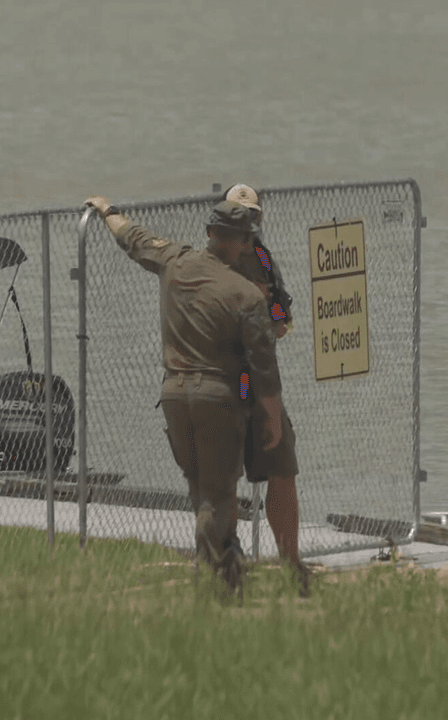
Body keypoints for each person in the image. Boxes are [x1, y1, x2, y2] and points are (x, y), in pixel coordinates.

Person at [84, 195, 285, 596]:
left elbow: (134, 238)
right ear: (245, 243)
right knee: (219, 492)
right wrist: (273, 418)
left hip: (175, 396)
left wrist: (107, 211)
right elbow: (264, 368)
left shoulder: (175, 260)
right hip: (218, 397)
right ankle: (216, 580)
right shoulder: (247, 295)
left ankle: (218, 571)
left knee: (200, 488)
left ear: (210, 234)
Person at [222, 183, 309, 595]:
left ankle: (291, 561)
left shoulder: (261, 257)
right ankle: (226, 563)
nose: (247, 224)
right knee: (220, 476)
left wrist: (270, 318)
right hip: (221, 379)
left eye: (252, 216)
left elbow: (282, 320)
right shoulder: (210, 261)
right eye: (238, 215)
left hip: (259, 380)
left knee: (282, 466)